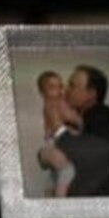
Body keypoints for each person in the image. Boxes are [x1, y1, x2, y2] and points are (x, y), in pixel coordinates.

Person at [42, 65, 109, 197]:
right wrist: (43, 154)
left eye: (72, 85)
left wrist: (57, 124)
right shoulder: (79, 120)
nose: (66, 90)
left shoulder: (106, 116)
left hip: (95, 205)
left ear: (90, 94)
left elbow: (83, 153)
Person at [35, 69, 81, 198]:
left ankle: (50, 192)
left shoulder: (55, 104)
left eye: (60, 86)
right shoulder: (54, 104)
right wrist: (77, 127)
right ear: (42, 92)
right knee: (67, 169)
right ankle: (60, 198)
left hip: (55, 143)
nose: (58, 91)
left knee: (57, 172)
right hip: (55, 143)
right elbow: (71, 121)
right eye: (52, 87)